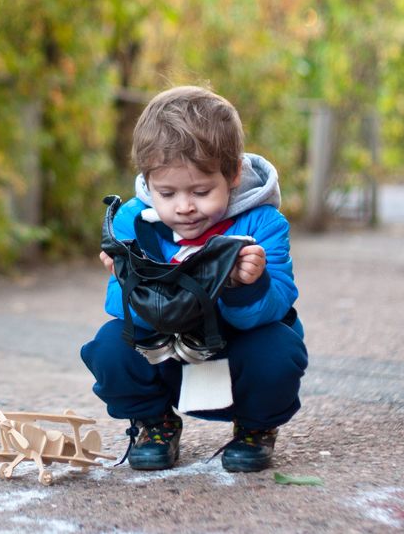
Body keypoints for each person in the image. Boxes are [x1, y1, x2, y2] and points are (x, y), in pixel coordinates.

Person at [81, 85, 308, 473]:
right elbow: (118, 309)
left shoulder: (263, 222)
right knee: (108, 347)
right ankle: (155, 422)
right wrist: (131, 279)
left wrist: (246, 284)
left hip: (236, 352)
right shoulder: (131, 221)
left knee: (279, 350)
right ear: (147, 181)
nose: (184, 207)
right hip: (168, 354)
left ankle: (255, 428)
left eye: (201, 191)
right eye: (166, 193)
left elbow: (279, 303)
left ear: (233, 174)